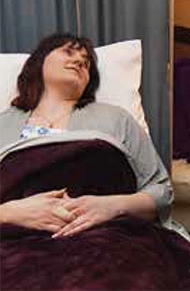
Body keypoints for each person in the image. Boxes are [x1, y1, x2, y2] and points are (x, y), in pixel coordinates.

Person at [0, 33, 173, 237]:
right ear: (39, 62)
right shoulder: (3, 124)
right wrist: (9, 213)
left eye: (86, 61)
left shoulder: (117, 119)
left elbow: (161, 191)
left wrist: (112, 206)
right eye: (68, 51)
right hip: (14, 242)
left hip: (109, 237)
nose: (80, 60)